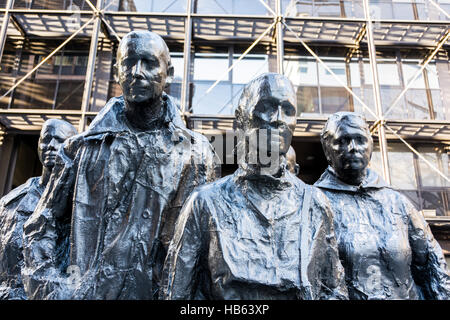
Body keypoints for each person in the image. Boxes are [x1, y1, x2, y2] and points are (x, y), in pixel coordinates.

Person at [22, 30, 220, 300]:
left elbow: (203, 249)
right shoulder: (79, 149)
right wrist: (50, 287)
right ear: (117, 72)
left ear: (168, 73)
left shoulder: (196, 154)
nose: (136, 72)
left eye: (149, 63)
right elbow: (41, 224)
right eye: (128, 63)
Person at [161, 73, 348, 300]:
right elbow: (176, 294)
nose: (279, 118)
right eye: (266, 107)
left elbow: (333, 290)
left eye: (288, 110)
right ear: (240, 121)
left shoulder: (315, 203)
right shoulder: (205, 203)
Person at [315, 111, 450, 300]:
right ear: (327, 149)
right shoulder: (314, 203)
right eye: (343, 141)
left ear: (371, 145)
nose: (353, 148)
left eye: (360, 139)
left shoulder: (398, 202)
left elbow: (432, 266)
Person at [0, 119, 77, 300]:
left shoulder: (82, 203)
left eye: (59, 140)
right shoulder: (11, 202)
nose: (50, 145)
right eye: (46, 139)